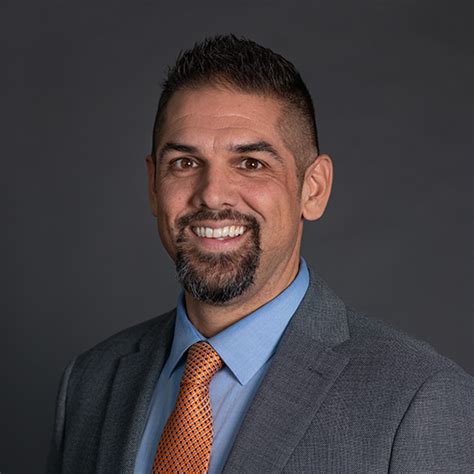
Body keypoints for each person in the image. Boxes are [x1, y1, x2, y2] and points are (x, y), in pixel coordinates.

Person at [47, 35, 473, 473]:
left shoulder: (418, 400)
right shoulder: (90, 382)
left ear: (313, 189)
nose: (213, 194)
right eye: (185, 163)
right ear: (154, 185)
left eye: (251, 163)